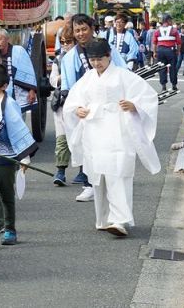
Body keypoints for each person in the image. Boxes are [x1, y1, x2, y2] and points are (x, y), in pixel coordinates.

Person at [63, 39, 159, 237]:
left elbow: (148, 96)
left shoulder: (123, 76)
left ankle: (120, 220)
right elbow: (73, 102)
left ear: (109, 56)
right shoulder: (88, 79)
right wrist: (77, 109)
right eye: (92, 60)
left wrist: (134, 105)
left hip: (118, 128)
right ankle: (104, 218)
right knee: (99, 175)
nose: (96, 64)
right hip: (94, 129)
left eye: (100, 59)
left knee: (118, 171)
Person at [0, 63, 38, 250]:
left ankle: (9, 228)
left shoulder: (9, 103)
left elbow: (18, 130)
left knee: (6, 194)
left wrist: (24, 157)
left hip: (6, 157)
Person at [59, 14, 98, 201]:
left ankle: (105, 183)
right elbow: (67, 88)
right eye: (77, 30)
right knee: (85, 145)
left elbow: (121, 75)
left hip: (104, 107)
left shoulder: (105, 50)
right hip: (82, 109)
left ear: (92, 28)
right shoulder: (69, 57)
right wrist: (75, 108)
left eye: (84, 29)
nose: (81, 33)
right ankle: (88, 184)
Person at [0, 28, 38, 113]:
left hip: (18, 93)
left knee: (18, 121)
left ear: (7, 39)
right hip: (0, 94)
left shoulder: (18, 51)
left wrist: (32, 90)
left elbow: (28, 70)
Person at [50, 25, 75, 186]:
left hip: (78, 103)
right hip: (62, 103)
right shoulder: (58, 60)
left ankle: (83, 172)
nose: (66, 45)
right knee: (61, 139)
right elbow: (53, 81)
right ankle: (60, 171)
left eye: (69, 41)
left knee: (80, 139)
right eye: (63, 42)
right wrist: (61, 76)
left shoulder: (81, 58)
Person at [153, 14, 181, 92]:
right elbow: (178, 43)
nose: (172, 21)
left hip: (160, 50)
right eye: (171, 20)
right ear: (168, 20)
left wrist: (155, 52)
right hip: (171, 50)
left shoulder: (157, 31)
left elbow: (154, 42)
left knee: (162, 68)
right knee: (173, 69)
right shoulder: (174, 30)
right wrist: (178, 51)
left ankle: (163, 86)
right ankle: (174, 85)